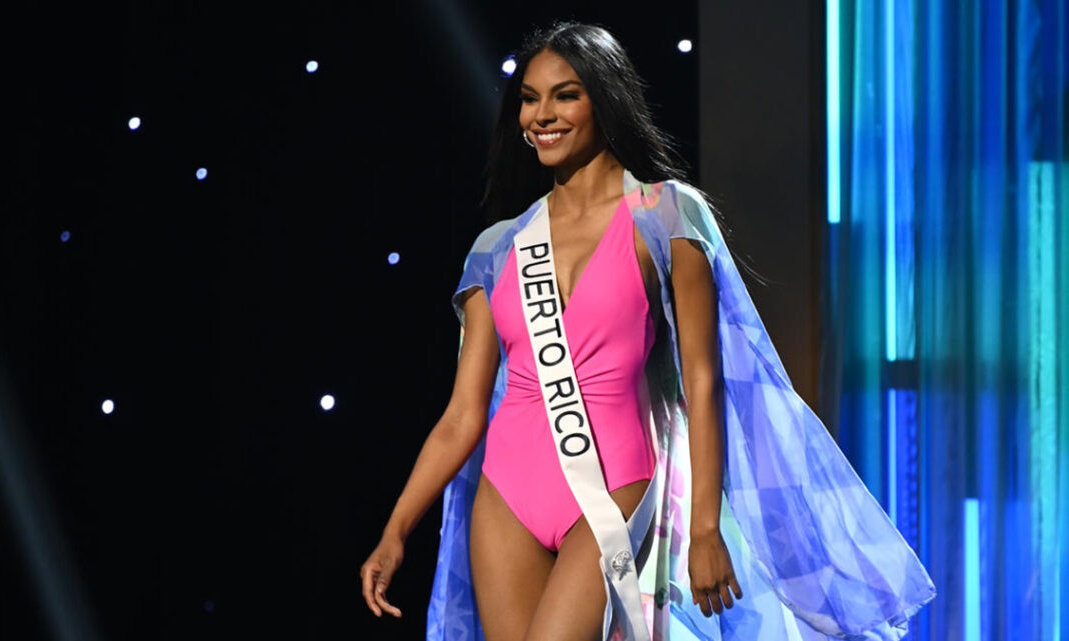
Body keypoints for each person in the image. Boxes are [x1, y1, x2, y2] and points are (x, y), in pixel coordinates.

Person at [361, 21, 935, 641]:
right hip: (506, 499)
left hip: (614, 489)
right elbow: (461, 416)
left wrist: (708, 528)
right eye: (529, 98)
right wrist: (396, 530)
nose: (541, 115)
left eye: (565, 95)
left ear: (605, 100)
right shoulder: (497, 250)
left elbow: (703, 380)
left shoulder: (666, 215)